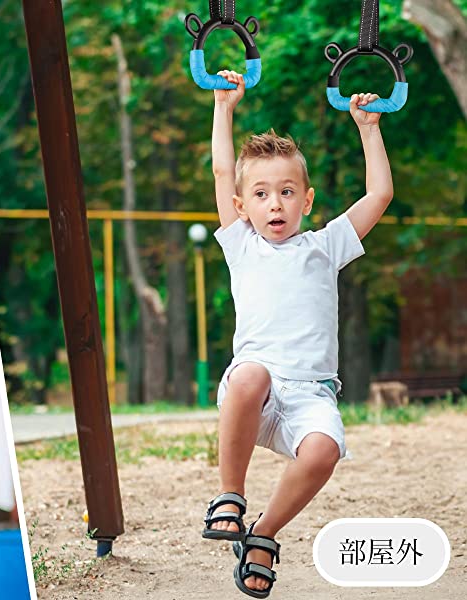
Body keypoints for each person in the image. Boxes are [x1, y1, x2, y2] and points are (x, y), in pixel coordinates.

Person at [201, 71, 393, 598]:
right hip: (254, 394)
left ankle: (262, 536)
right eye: (260, 194)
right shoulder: (241, 245)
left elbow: (379, 193)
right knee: (250, 374)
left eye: (287, 192)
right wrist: (224, 108)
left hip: (309, 395)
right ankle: (230, 496)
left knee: (324, 450)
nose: (275, 204)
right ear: (243, 207)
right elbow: (223, 172)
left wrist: (368, 128)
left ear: (306, 200)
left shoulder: (325, 245)